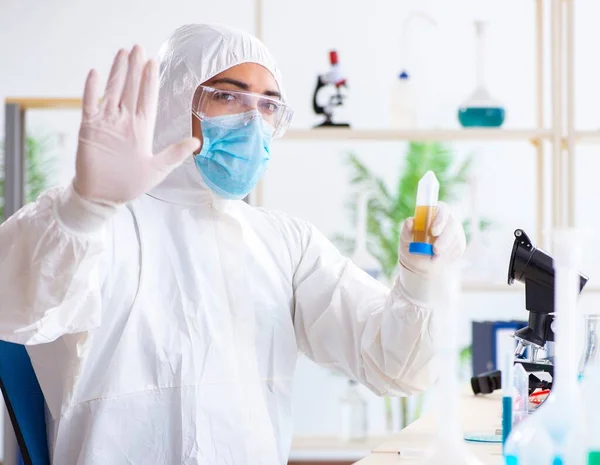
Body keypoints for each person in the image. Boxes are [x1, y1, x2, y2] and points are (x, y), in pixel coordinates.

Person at [0, 24, 466, 464]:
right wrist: (85, 207)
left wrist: (420, 281)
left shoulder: (283, 243)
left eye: (268, 105)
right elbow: (16, 305)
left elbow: (393, 366)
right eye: (227, 96)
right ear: (172, 101)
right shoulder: (99, 227)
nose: (253, 122)